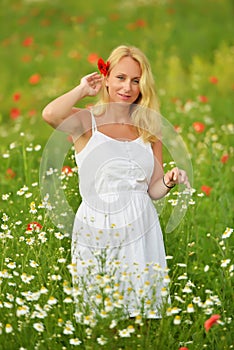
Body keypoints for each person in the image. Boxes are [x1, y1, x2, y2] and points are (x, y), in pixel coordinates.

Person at [42, 45, 190, 319]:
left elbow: (153, 190)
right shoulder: (87, 122)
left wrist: (169, 180)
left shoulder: (149, 128)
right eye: (121, 77)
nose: (128, 87)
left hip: (142, 225)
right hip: (99, 225)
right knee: (105, 316)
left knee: (142, 317)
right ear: (106, 78)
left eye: (136, 80)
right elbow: (50, 114)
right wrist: (81, 89)